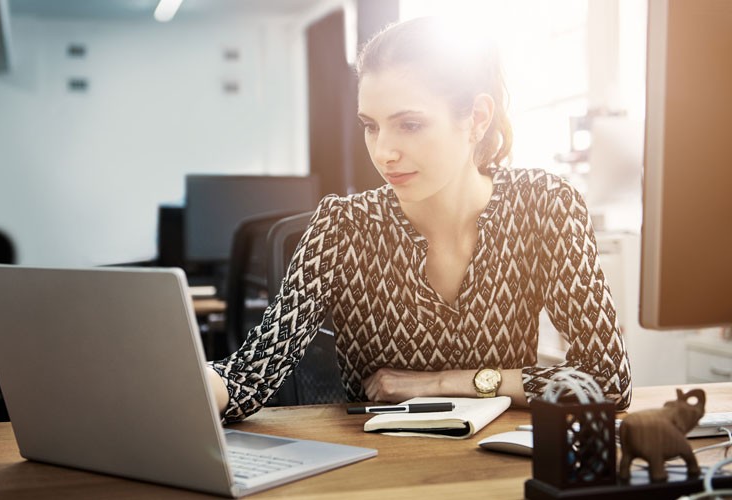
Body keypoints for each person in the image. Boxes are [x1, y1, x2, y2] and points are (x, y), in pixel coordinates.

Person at [206, 16, 632, 423]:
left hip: (500, 457)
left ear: (477, 119)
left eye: (409, 125)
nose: (383, 152)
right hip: (382, 461)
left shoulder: (545, 204)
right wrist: (192, 383)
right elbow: (247, 378)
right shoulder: (342, 227)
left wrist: (444, 383)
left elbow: (607, 380)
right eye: (371, 126)